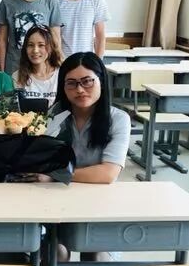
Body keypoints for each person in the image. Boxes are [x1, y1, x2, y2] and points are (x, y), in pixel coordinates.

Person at [50, 52, 130, 184]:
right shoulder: (54, 116)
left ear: (101, 82)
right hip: (57, 190)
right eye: (71, 83)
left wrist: (56, 175)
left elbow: (108, 173)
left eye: (87, 81)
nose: (80, 90)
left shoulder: (118, 119)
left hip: (97, 191)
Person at [12, 25, 61, 106]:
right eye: (30, 45)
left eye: (41, 45)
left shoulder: (61, 74)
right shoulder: (17, 76)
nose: (35, 50)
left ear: (51, 47)